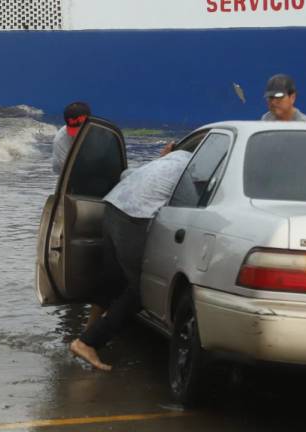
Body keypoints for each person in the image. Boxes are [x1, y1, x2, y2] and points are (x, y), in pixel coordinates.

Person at [70, 149, 194, 371]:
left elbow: (126, 175)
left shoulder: (166, 161)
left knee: (113, 278)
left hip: (112, 206)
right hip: (134, 218)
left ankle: (88, 331)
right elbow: (189, 208)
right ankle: (88, 342)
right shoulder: (190, 168)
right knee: (142, 291)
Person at [52, 102, 91, 174]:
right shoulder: (60, 140)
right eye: (74, 129)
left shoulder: (103, 133)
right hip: (65, 172)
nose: (77, 134)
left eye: (80, 129)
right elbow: (70, 172)